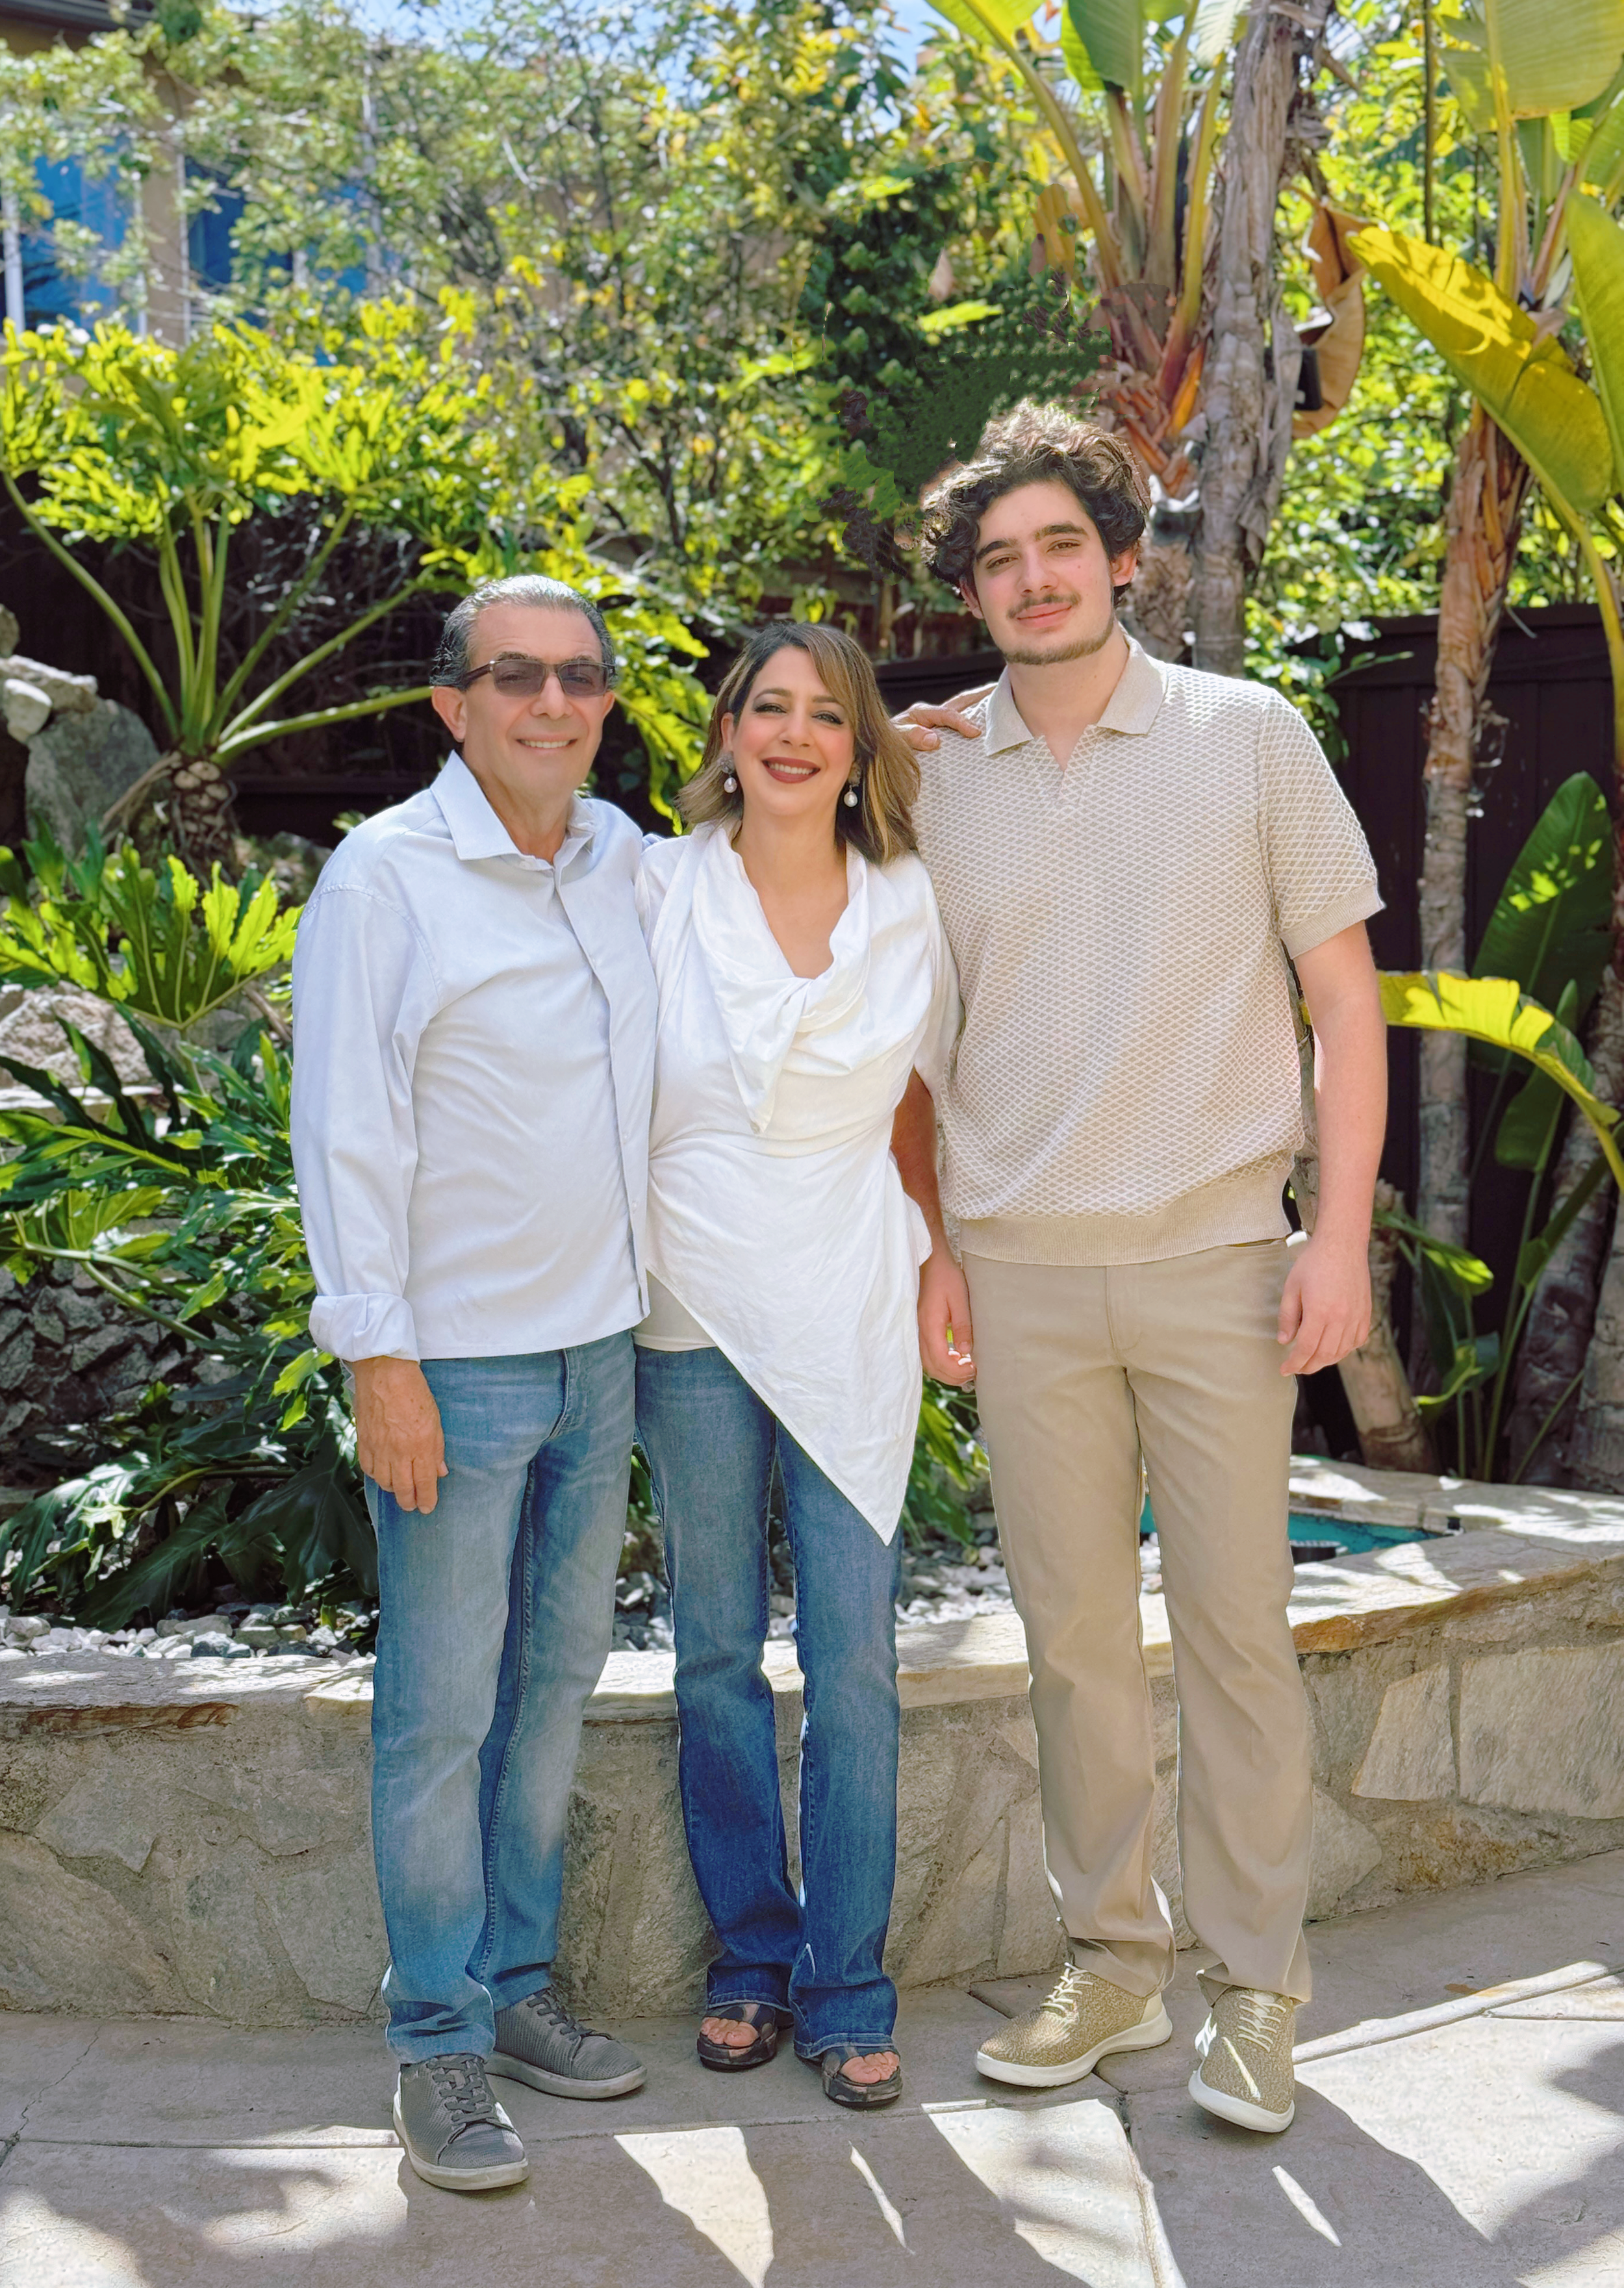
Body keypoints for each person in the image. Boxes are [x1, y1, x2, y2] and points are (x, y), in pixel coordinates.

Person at [890, 401, 1388, 2135]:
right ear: (974, 593)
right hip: (1018, 1274)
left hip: (1213, 1265)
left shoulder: (1245, 737)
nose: (1028, 581)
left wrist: (1335, 1239)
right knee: (1074, 1639)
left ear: (1120, 562)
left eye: (1055, 548)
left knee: (1241, 1635)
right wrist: (933, 1245)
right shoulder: (928, 770)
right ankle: (1112, 1959)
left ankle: (1255, 1993)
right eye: (994, 561)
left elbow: (1343, 1001)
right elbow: (896, 1039)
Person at [290, 574, 655, 2194]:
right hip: (456, 1368)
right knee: (441, 1718)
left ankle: (514, 1994)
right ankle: (432, 2041)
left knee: (552, 1693)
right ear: (453, 706)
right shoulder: (389, 878)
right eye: (518, 677)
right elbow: (347, 1126)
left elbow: (798, 841)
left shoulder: (625, 860)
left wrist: (913, 739)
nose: (555, 703)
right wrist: (381, 1356)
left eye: (581, 676)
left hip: (604, 1358)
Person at [633, 621, 962, 2110]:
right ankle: (750, 1961)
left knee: (852, 1662)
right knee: (714, 1654)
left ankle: (848, 1984)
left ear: (858, 745)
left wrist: (942, 1255)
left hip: (847, 1292)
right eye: (766, 708)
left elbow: (918, 1106)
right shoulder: (657, 885)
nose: (791, 735)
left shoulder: (905, 900)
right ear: (727, 730)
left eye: (825, 715)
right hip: (690, 1291)